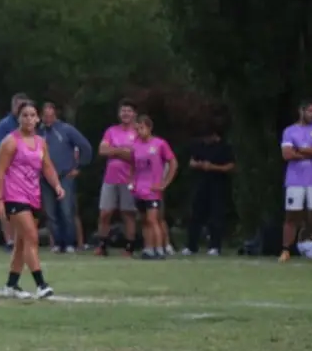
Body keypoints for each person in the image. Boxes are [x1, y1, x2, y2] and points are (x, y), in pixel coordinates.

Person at [0, 100, 63, 298]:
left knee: (22, 244)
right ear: (19, 119)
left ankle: (11, 285)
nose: (29, 119)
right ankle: (41, 284)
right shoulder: (11, 142)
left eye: (32, 115)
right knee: (31, 237)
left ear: (38, 118)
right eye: (25, 115)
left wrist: (56, 185)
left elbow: (47, 166)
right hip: (14, 196)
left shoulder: (41, 142)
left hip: (34, 196)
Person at [279, 99, 312, 263]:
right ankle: (286, 250)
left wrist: (299, 150)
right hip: (294, 180)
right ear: (301, 111)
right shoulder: (289, 131)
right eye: (310, 111)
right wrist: (309, 151)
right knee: (291, 216)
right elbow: (287, 154)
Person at [37, 102, 92, 253]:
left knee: (66, 210)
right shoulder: (38, 132)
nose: (48, 119)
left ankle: (70, 243)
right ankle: (57, 243)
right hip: (45, 177)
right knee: (50, 212)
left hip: (64, 176)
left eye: (50, 115)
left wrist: (79, 167)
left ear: (55, 115)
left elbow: (85, 146)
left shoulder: (66, 130)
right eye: (45, 116)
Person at [95, 99, 139, 257]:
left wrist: (114, 150)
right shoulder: (111, 131)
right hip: (110, 178)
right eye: (123, 110)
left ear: (134, 114)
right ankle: (102, 245)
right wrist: (122, 151)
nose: (125, 114)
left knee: (128, 213)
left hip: (130, 178)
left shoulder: (138, 132)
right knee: (105, 212)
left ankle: (129, 247)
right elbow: (102, 150)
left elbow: (136, 155)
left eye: (129, 110)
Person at [130, 116, 177, 259]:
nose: (139, 131)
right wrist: (132, 182)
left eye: (142, 128)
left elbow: (173, 162)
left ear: (149, 128)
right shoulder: (136, 145)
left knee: (153, 220)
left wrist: (165, 182)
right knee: (144, 220)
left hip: (153, 189)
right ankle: (148, 248)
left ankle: (159, 249)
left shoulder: (159, 144)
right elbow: (133, 165)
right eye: (137, 129)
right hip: (140, 189)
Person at [183, 128, 235, 256]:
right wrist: (199, 165)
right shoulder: (199, 146)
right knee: (195, 215)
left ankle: (215, 246)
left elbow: (231, 166)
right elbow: (191, 162)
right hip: (200, 184)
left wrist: (213, 167)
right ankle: (191, 246)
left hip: (218, 185)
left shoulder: (225, 147)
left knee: (216, 215)